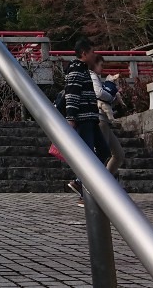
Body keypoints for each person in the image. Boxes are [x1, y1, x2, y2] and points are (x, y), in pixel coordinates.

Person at [64, 37, 111, 204]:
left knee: (104, 152)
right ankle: (86, 192)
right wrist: (71, 118)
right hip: (83, 119)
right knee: (89, 155)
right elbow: (71, 93)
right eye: (92, 52)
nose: (94, 55)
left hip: (90, 118)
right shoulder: (76, 69)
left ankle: (80, 182)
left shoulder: (83, 69)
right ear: (84, 53)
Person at [90, 55, 126, 177]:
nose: (102, 68)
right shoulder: (92, 76)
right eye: (101, 65)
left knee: (119, 154)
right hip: (100, 118)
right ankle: (90, 184)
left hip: (104, 119)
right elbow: (98, 93)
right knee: (102, 154)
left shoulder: (97, 78)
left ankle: (106, 180)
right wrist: (111, 95)